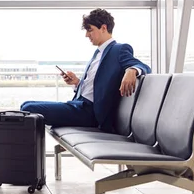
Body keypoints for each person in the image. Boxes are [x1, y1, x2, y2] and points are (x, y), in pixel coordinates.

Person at [21, 9, 151, 132]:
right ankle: (30, 154)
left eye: (90, 30)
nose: (86, 35)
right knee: (26, 104)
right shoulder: (97, 53)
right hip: (79, 105)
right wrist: (77, 82)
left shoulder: (119, 49)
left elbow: (144, 67)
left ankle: (25, 154)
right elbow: (97, 86)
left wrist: (132, 70)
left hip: (90, 112)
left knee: (29, 109)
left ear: (103, 28)